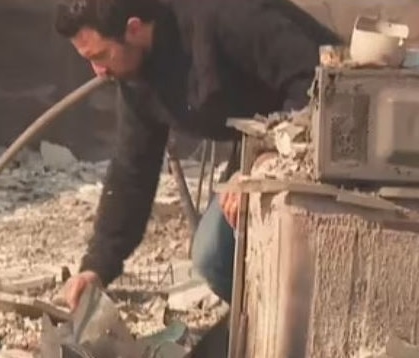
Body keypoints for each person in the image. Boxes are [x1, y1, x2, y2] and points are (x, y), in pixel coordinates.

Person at [53, 0, 339, 310]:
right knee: (214, 258)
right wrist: (96, 267)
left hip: (332, 131)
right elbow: (131, 170)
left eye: (101, 55)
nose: (98, 72)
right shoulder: (137, 74)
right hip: (260, 144)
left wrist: (269, 162)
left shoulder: (225, 17)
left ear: (133, 28)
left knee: (220, 250)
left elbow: (319, 78)